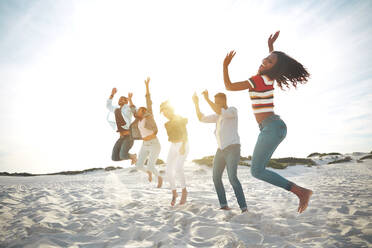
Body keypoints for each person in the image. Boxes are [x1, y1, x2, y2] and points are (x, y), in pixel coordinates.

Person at [222, 30, 313, 214]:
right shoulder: (269, 78)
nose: (264, 61)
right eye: (266, 58)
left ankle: (301, 192)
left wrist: (225, 66)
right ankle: (301, 192)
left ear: (273, 68)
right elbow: (273, 63)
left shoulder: (259, 80)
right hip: (273, 127)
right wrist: (272, 49)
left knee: (256, 171)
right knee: (258, 170)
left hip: (272, 127)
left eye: (269, 61)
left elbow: (229, 86)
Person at [193, 90, 248, 213]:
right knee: (216, 177)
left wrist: (207, 99)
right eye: (215, 102)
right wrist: (196, 103)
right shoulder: (217, 116)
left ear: (224, 101)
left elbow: (219, 111)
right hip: (220, 150)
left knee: (232, 177)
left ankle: (244, 208)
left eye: (218, 102)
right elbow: (201, 118)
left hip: (233, 148)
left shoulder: (232, 111)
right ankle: (224, 205)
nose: (216, 104)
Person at [130, 77, 163, 188]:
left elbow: (148, 101)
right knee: (139, 166)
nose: (138, 111)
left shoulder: (148, 116)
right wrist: (130, 100)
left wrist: (147, 86)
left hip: (154, 143)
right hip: (144, 144)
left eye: (140, 110)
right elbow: (133, 110)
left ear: (144, 111)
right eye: (138, 110)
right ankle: (148, 173)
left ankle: (159, 177)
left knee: (150, 165)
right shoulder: (138, 120)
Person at [160, 101, 189, 206]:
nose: (164, 114)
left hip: (183, 144)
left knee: (178, 168)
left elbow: (184, 133)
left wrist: (182, 145)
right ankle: (174, 193)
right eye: (163, 113)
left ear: (170, 109)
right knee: (168, 170)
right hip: (173, 145)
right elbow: (172, 137)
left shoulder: (179, 118)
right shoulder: (166, 124)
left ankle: (184, 191)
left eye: (165, 111)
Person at [106, 88, 137, 165]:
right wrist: (112, 94)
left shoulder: (128, 108)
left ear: (126, 101)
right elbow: (108, 105)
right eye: (119, 99)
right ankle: (132, 156)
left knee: (123, 155)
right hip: (121, 137)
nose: (120, 100)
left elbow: (135, 111)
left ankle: (133, 156)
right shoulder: (116, 109)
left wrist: (130, 100)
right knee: (114, 157)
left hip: (129, 136)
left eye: (123, 99)